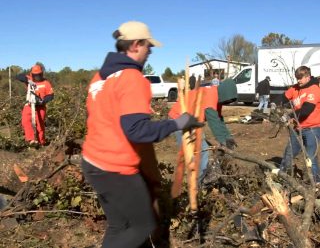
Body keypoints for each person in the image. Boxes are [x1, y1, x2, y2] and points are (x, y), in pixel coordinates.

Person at [81, 21, 203, 248]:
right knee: (142, 226)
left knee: (119, 225)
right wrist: (179, 123)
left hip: (91, 161)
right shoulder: (133, 79)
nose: (151, 51)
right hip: (114, 167)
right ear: (136, 45)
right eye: (148, 46)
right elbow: (137, 131)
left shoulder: (99, 78)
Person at [169, 78, 238, 185]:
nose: (227, 103)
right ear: (224, 93)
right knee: (201, 150)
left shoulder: (217, 95)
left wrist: (228, 136)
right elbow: (214, 123)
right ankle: (198, 184)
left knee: (200, 147)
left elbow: (219, 118)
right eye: (227, 100)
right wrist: (223, 142)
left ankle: (199, 177)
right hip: (179, 118)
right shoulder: (211, 97)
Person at [276, 66, 320, 183]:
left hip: (312, 129)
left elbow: (306, 110)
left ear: (308, 77)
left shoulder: (314, 88)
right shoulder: (295, 88)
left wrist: (289, 116)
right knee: (289, 153)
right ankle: (283, 176)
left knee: (311, 157)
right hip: (297, 128)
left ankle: (315, 182)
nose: (298, 81)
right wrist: (274, 105)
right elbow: (283, 97)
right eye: (297, 78)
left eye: (300, 78)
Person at [16, 63, 54, 146]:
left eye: (38, 75)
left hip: (40, 106)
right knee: (26, 121)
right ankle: (31, 139)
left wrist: (43, 101)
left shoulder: (46, 83)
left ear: (41, 74)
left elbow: (51, 95)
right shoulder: (30, 79)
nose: (37, 77)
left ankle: (41, 142)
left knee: (40, 124)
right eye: (35, 75)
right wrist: (27, 80)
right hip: (29, 105)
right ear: (32, 74)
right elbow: (18, 76)